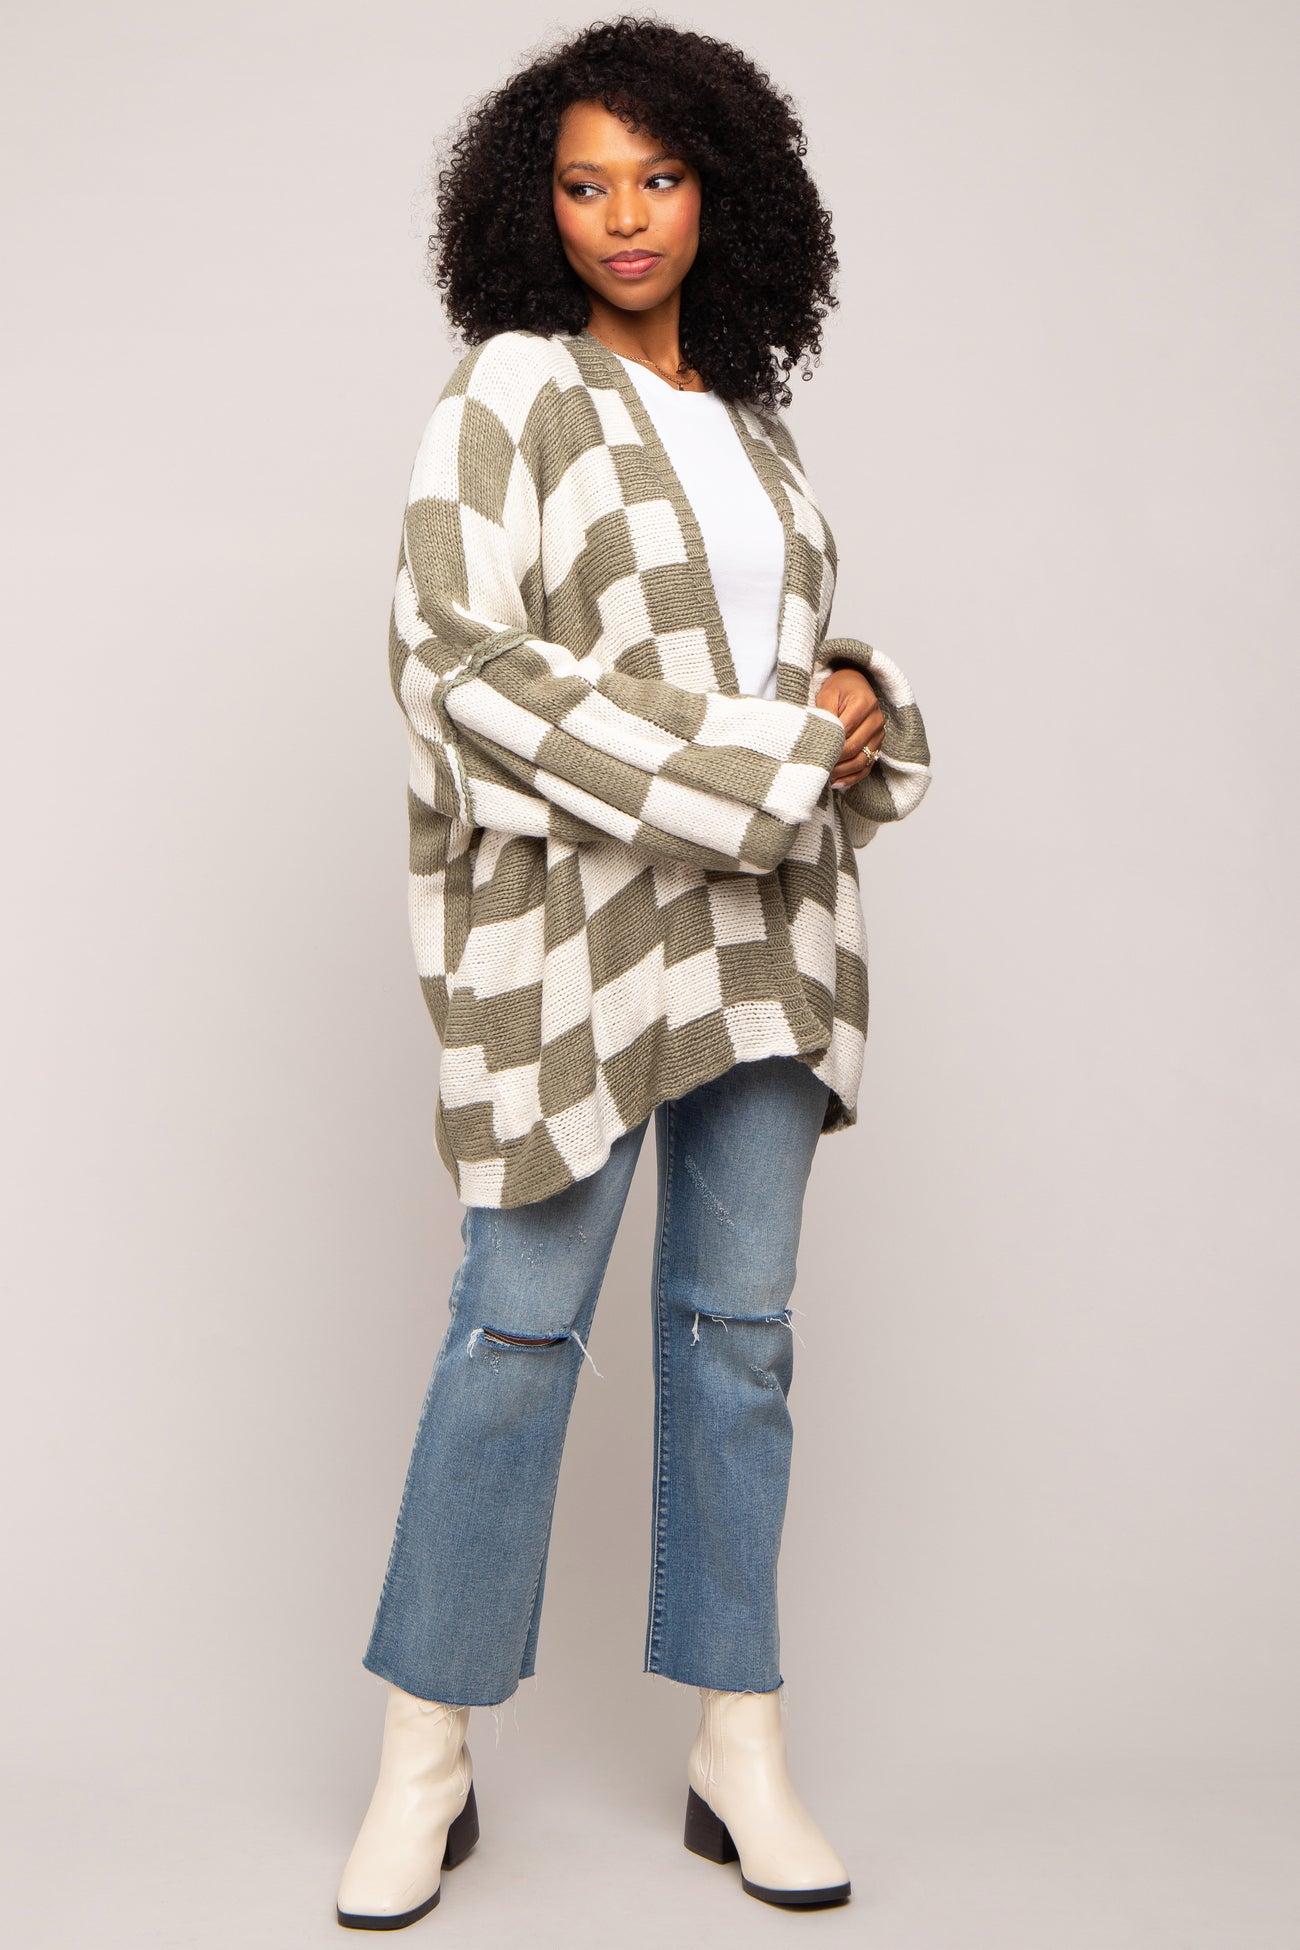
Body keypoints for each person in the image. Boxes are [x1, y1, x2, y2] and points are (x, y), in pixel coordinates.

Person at [336, 16, 931, 1929]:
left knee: (739, 1341)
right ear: (534, 206)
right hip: (574, 941)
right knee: (515, 1332)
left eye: (659, 178)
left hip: (766, 939)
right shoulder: (509, 392)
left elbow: (777, 671)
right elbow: (460, 667)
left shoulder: (756, 434)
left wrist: (853, 694)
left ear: (720, 196)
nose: (623, 217)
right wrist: (761, 762)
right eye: (585, 183)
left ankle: (737, 1743)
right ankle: (426, 1756)